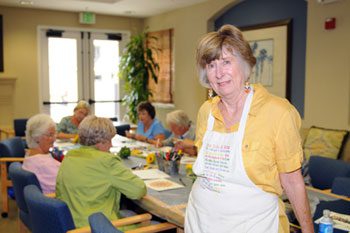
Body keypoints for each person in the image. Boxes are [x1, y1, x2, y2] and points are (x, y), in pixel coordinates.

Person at [185, 25, 314, 233]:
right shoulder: (206, 112)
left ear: (245, 65)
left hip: (255, 225)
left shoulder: (278, 112)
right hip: (201, 222)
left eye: (226, 62)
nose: (219, 73)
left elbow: (292, 181)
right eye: (211, 65)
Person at [56, 116, 146, 228]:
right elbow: (138, 190)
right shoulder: (107, 161)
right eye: (109, 140)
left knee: (128, 213)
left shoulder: (69, 157)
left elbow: (60, 193)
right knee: (155, 224)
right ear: (100, 141)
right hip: (100, 227)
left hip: (73, 225)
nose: (111, 145)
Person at [22, 114, 60, 194]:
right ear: (36, 138)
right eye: (50, 135)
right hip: (54, 202)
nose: (54, 138)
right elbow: (64, 187)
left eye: (54, 134)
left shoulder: (30, 154)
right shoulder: (43, 164)